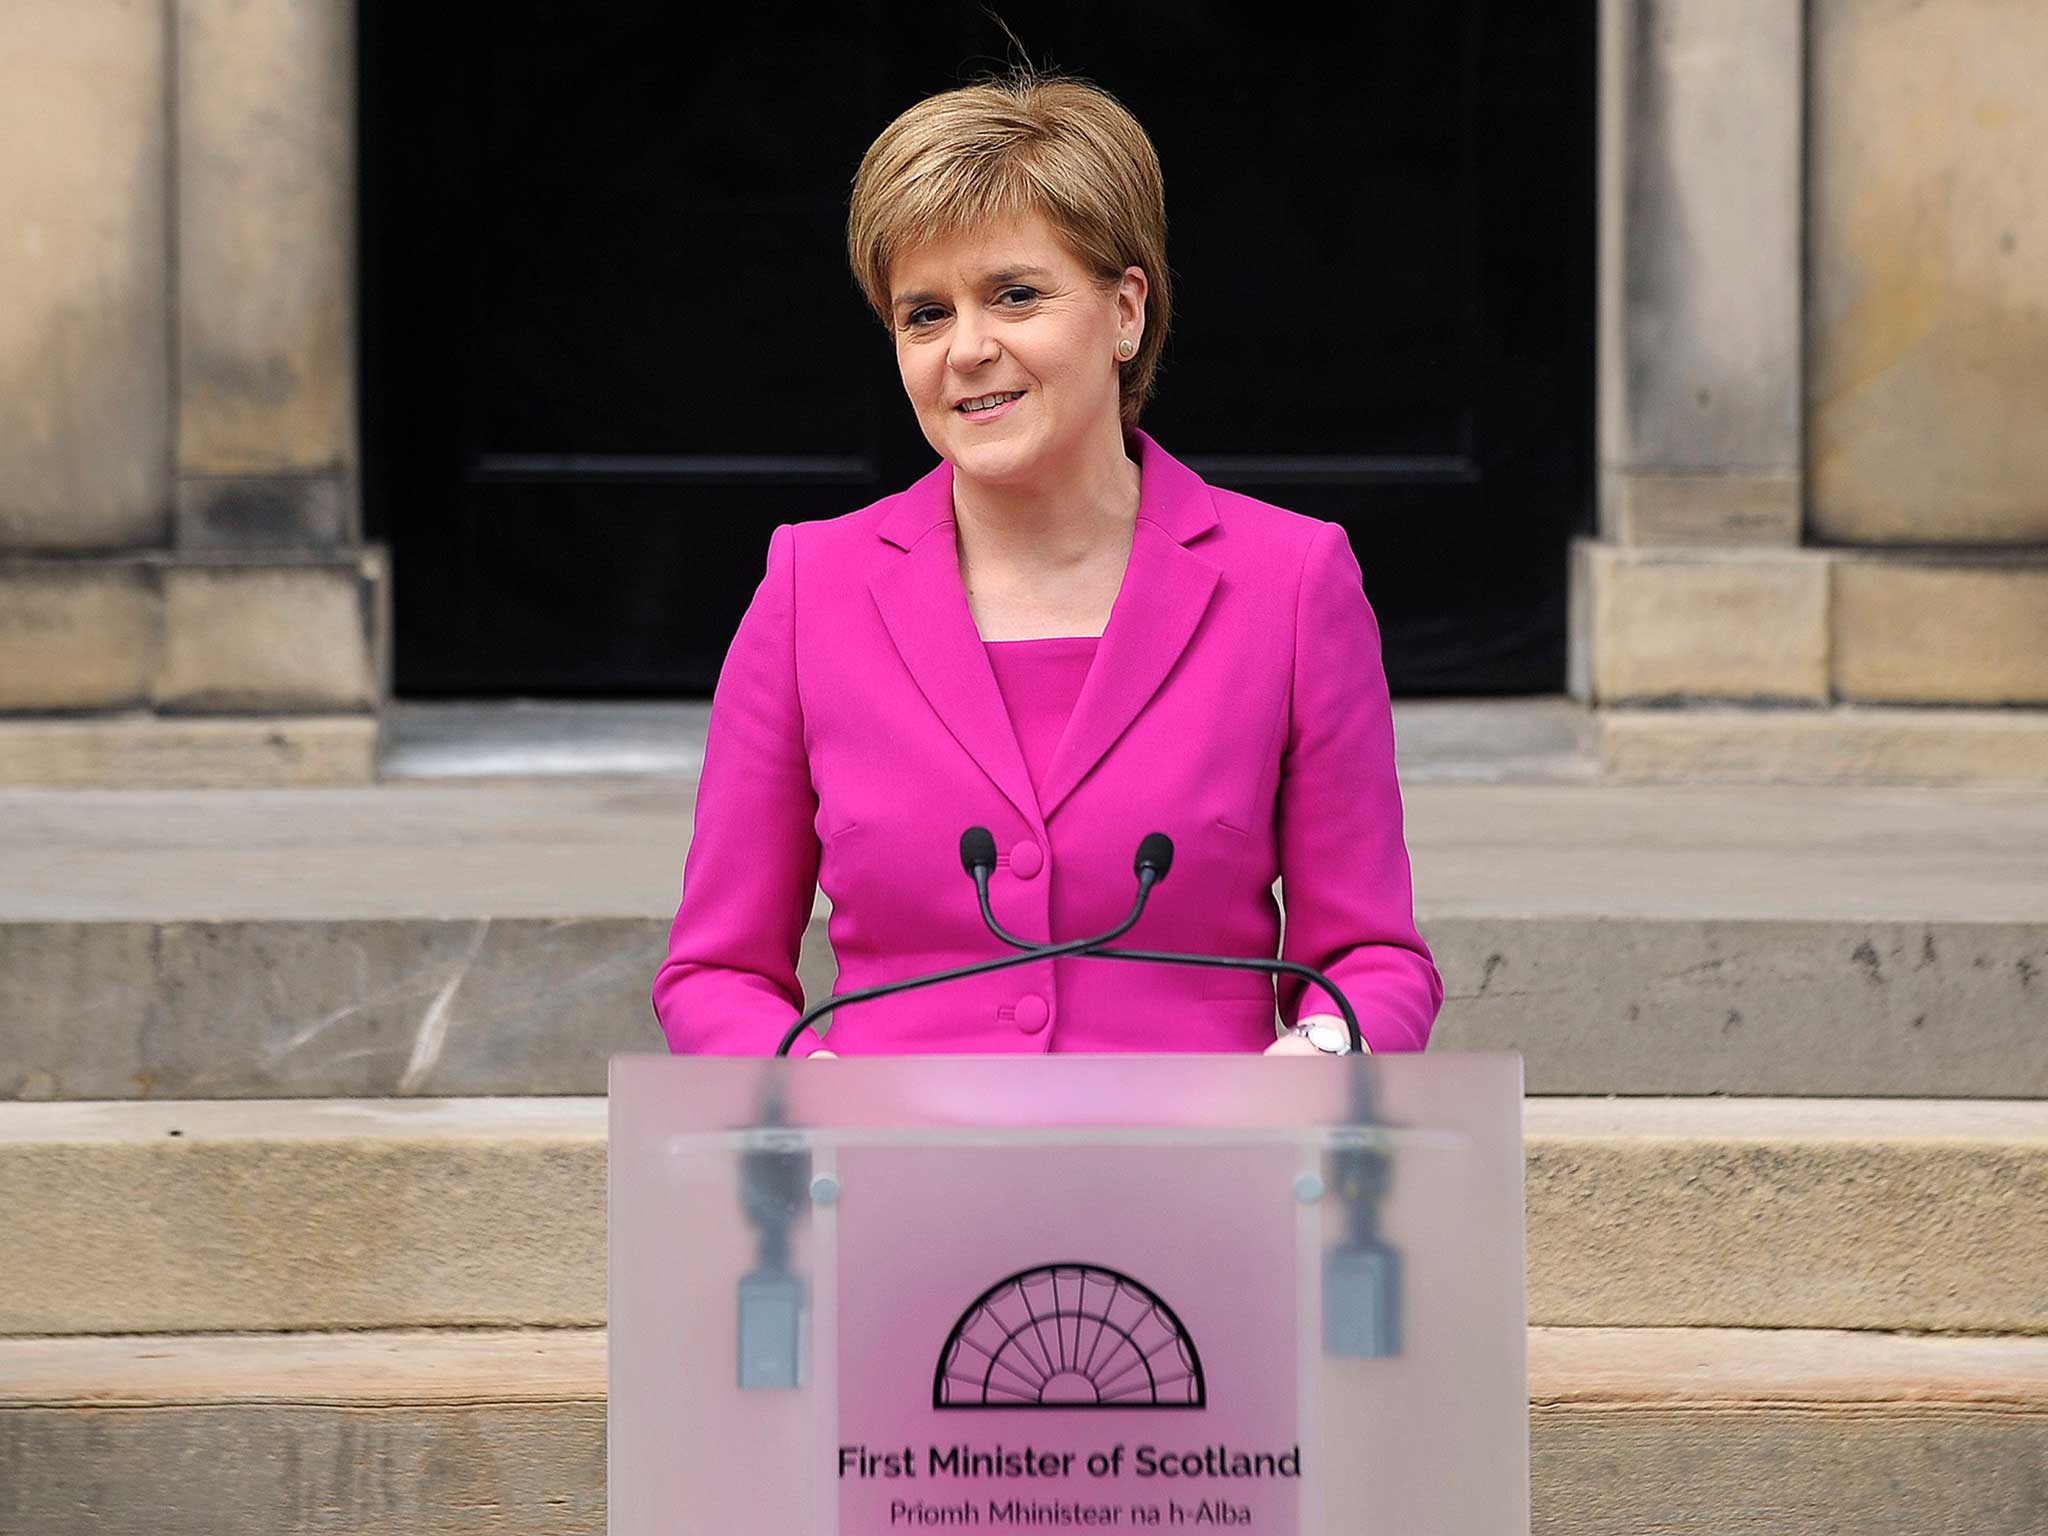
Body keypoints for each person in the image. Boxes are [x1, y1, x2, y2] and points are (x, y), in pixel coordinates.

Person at [653, 65, 1441, 1058]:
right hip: (895, 1190)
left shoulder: (1290, 581)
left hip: (1198, 1186)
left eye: (1013, 296)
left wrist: (1318, 1059)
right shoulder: (811, 587)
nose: (965, 349)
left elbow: (1372, 957)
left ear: (1125, 311)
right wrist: (806, 1093)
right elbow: (716, 974)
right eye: (923, 314)